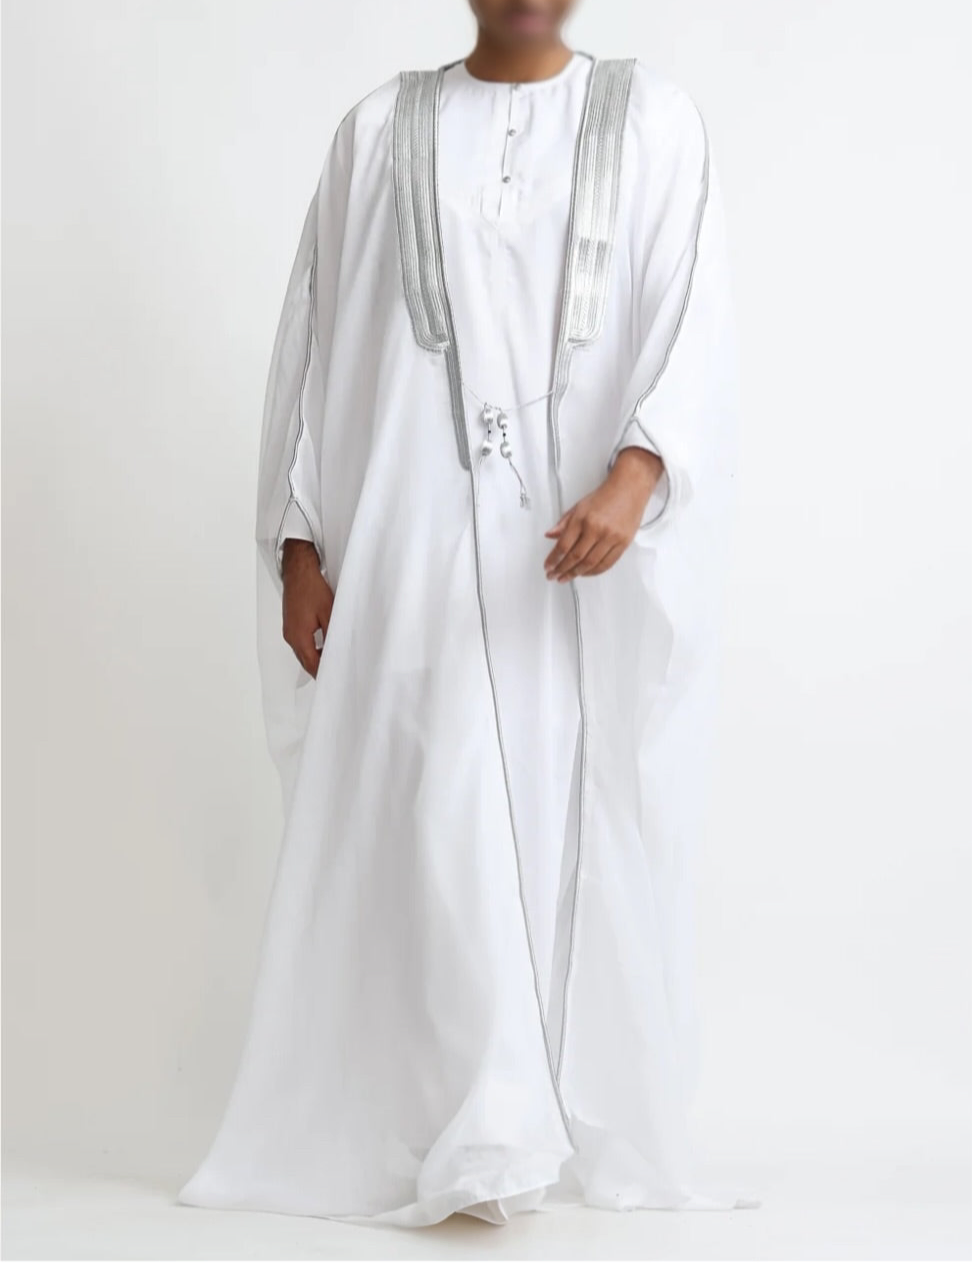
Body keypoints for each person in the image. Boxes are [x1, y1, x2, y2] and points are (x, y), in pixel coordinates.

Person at [179, 0, 746, 1227]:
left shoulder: (651, 120)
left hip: (567, 561)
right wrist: (298, 540)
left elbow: (688, 314)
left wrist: (636, 476)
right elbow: (316, 340)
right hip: (413, 546)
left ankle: (525, 1117)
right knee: (437, 803)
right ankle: (478, 1126)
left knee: (550, 809)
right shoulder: (379, 130)